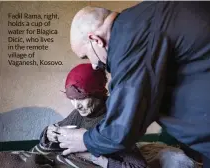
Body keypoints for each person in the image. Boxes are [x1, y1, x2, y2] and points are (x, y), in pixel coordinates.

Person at [56, 2, 210, 167]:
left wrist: (86, 141)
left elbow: (123, 126)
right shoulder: (140, 20)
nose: (93, 65)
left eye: (86, 56)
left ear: (96, 40)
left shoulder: (131, 36)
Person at [30, 63, 148, 168]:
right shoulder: (80, 114)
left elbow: (139, 165)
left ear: (98, 93)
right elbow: (57, 130)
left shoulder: (114, 120)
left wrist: (93, 157)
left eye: (82, 98)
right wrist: (48, 133)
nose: (76, 105)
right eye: (72, 99)